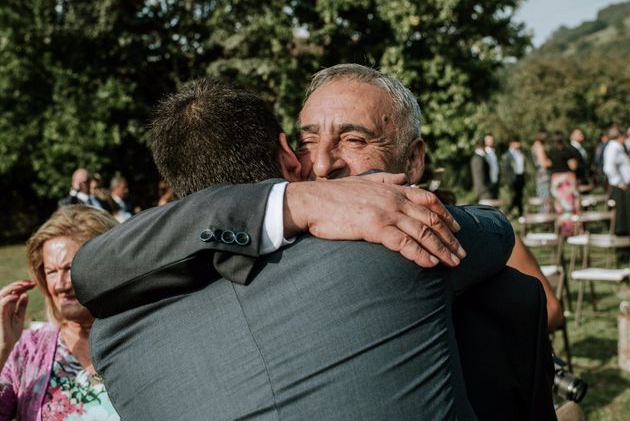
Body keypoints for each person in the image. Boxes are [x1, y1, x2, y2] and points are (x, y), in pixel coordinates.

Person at [74, 65, 556, 420]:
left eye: (353, 139)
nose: (323, 166)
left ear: (413, 161)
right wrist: (297, 203)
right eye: (308, 141)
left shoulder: (115, 330)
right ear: (288, 154)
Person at [0, 205, 119, 420]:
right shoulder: (27, 349)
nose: (61, 285)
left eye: (71, 268)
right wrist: (2, 349)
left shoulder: (141, 335)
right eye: (51, 272)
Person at [603, 126, 630, 236]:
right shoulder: (614, 148)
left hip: (624, 184)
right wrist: (619, 182)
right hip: (620, 186)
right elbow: (609, 167)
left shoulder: (617, 147)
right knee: (622, 215)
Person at [548, 131, 579, 236]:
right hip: (567, 180)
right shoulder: (568, 151)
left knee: (559, 206)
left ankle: (560, 230)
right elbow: (573, 166)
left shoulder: (550, 151)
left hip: (555, 181)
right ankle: (570, 229)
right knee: (570, 206)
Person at [502, 135, 526, 217]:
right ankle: (512, 211)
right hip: (513, 178)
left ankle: (519, 213)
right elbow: (507, 169)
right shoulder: (507, 155)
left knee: (519, 196)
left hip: (520, 177)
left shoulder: (520, 153)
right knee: (516, 196)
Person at [531, 131, 552, 211]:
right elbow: (543, 163)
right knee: (545, 201)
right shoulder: (539, 147)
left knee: (543, 199)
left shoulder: (535, 146)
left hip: (540, 176)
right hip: (544, 176)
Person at [484, 134, 500, 198]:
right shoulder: (484, 153)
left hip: (495, 181)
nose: (491, 141)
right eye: (489, 140)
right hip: (489, 182)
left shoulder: (495, 152)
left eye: (492, 140)